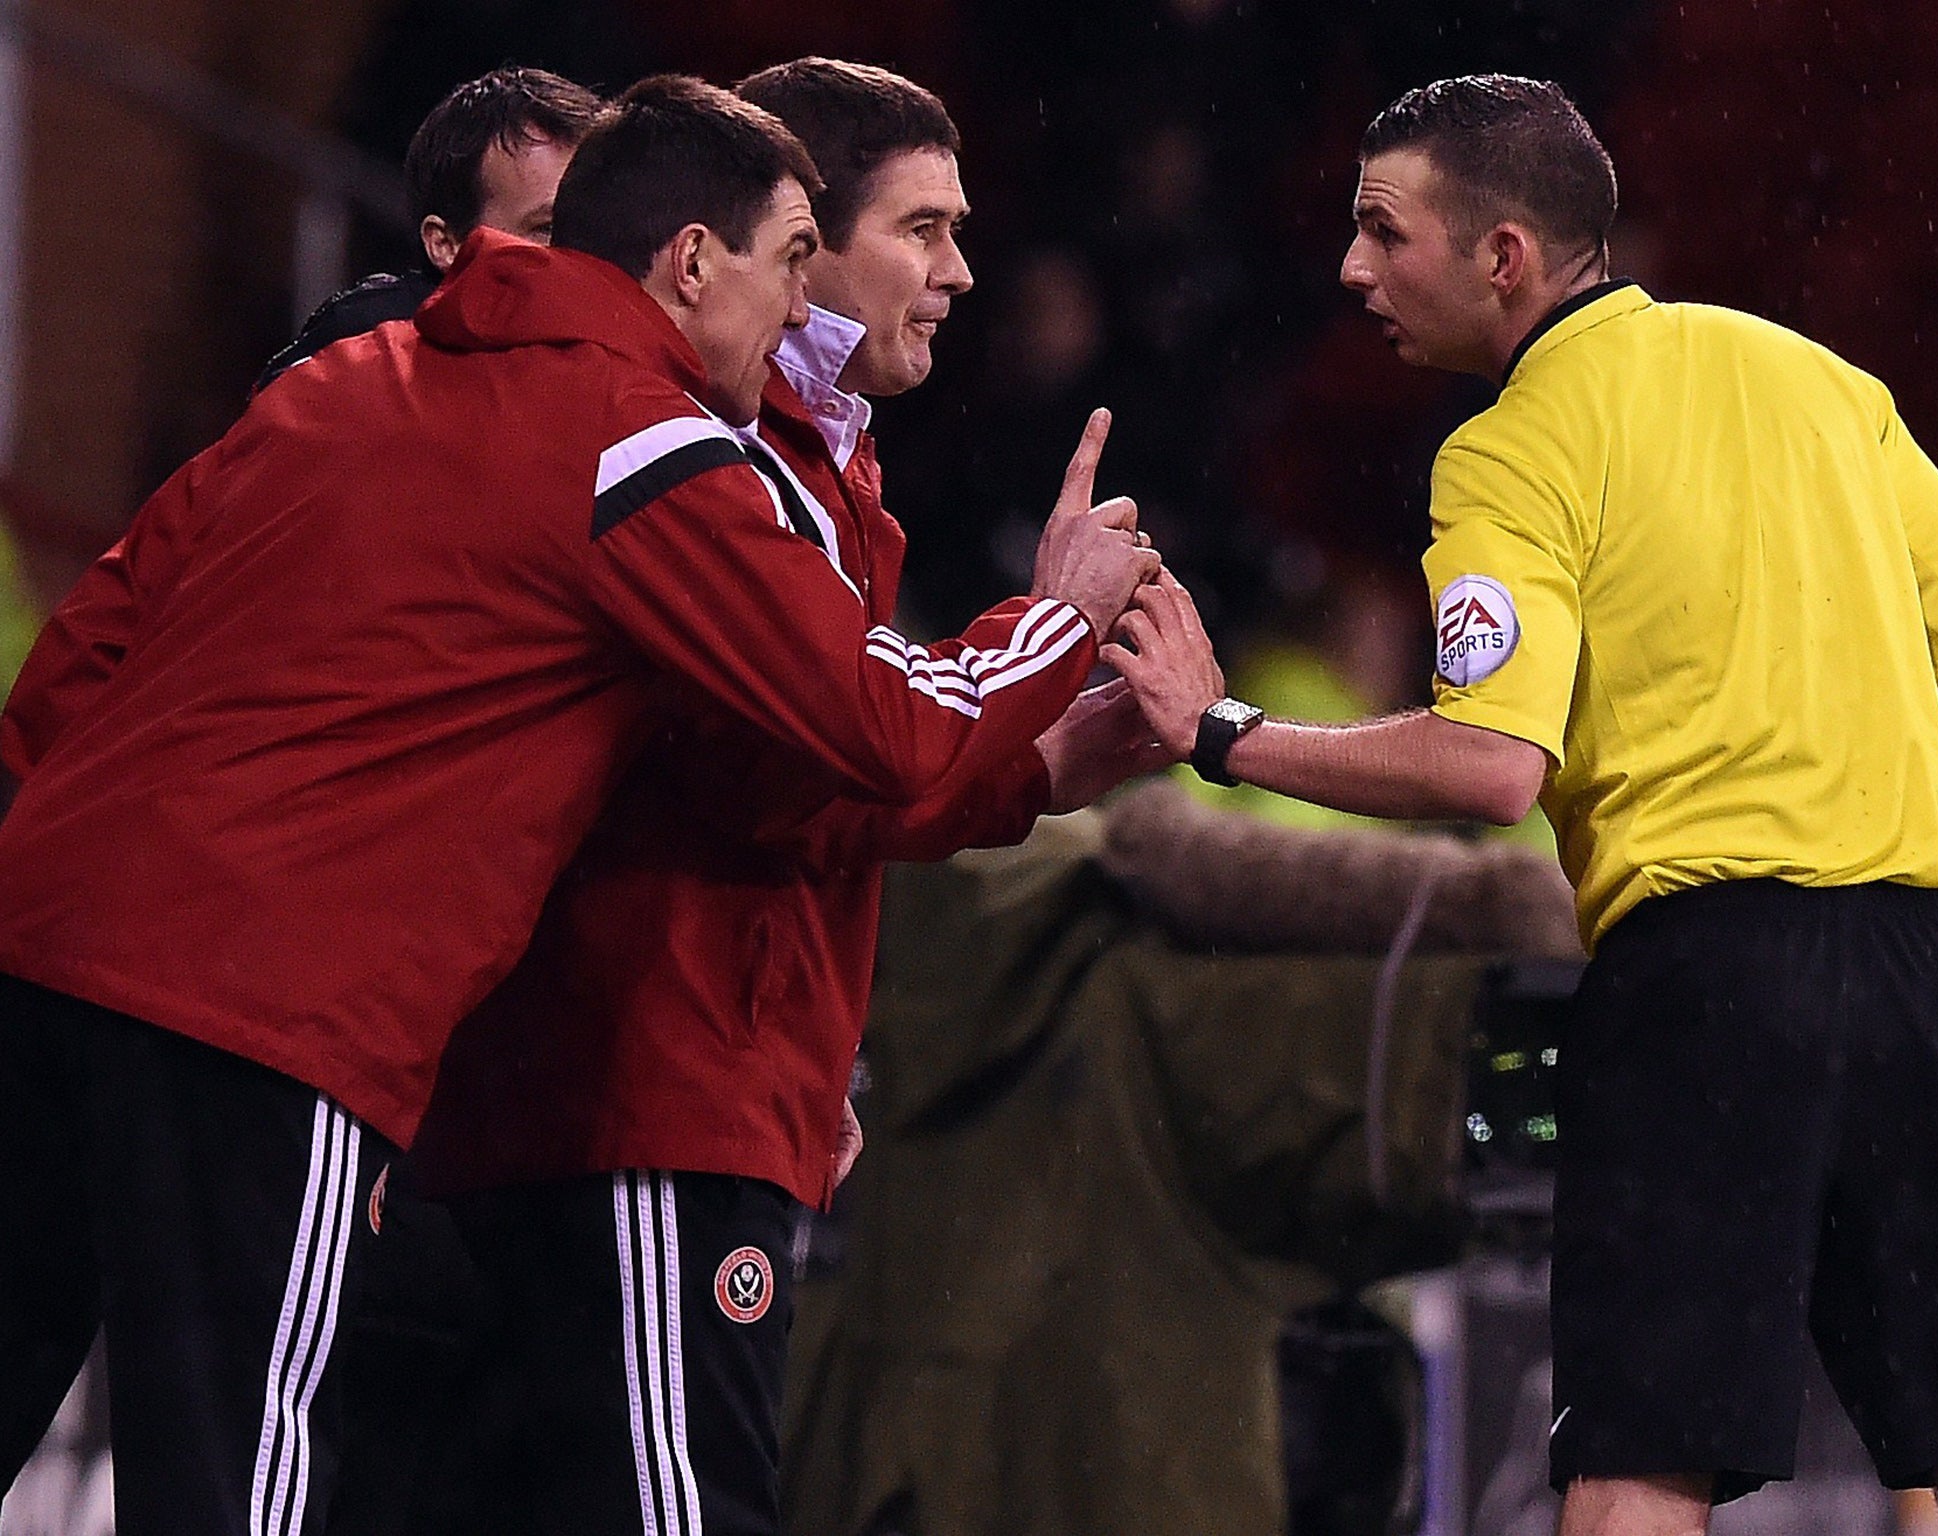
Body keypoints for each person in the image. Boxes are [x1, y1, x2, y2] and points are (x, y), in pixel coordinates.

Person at [0, 74, 1153, 1536]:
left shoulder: (343, 381)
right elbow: (876, 733)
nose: (804, 306)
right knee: (239, 1474)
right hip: (265, 1006)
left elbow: (79, 659)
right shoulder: (644, 441)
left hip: (38, 944)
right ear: (687, 263)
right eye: (794, 260)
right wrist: (1054, 620)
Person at [1105, 73, 1938, 1536]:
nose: (1352, 270)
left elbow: (1492, 768)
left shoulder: (1512, 446)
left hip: (1713, 989)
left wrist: (1222, 733)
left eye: (1381, 231)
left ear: (1505, 259)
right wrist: (1915, 888)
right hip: (1935, 972)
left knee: (1640, 1465)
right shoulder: (1813, 375)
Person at [404, 59, 1170, 1536]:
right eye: (923, 229)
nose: (959, 270)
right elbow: (837, 754)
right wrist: (1053, 623)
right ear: (799, 240)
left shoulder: (821, 463)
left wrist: (1050, 761)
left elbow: (815, 791)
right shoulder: (714, 456)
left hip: (698, 1089)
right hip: (641, 1081)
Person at [255, 65, 603, 390]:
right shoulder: (350, 359)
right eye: (546, 228)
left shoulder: (632, 356)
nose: (583, 254)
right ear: (445, 244)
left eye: (597, 227)